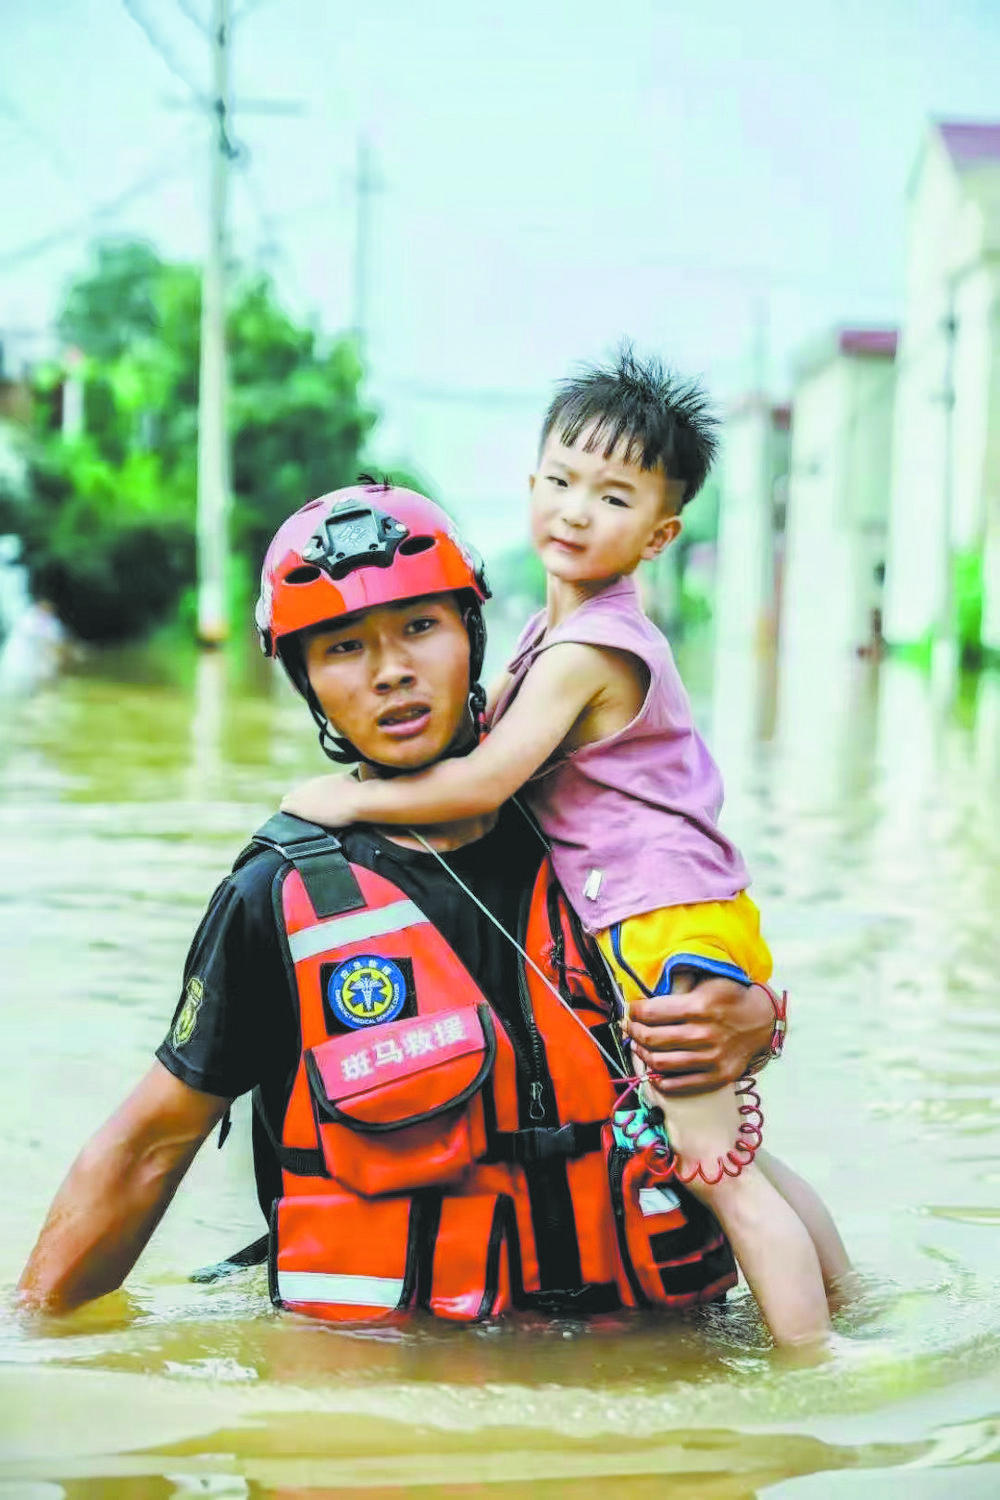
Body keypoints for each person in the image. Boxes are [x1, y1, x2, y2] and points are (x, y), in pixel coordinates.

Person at [17, 483, 780, 1324]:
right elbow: (148, 1148)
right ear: (305, 678)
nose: (391, 672)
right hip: (399, 1388)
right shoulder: (276, 893)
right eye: (344, 647)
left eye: (421, 627)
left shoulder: (596, 833)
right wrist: (31, 1341)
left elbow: (711, 967)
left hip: (647, 1364)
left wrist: (758, 1022)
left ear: (472, 632)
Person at [282, 357, 853, 1347]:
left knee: (711, 1168)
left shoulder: (593, 648)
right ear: (531, 481)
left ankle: (821, 1362)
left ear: (660, 534)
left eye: (615, 496)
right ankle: (847, 1293)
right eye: (561, 480)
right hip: (678, 915)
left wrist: (328, 797)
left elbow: (481, 781)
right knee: (722, 1148)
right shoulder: (552, 638)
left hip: (659, 923)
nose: (577, 512)